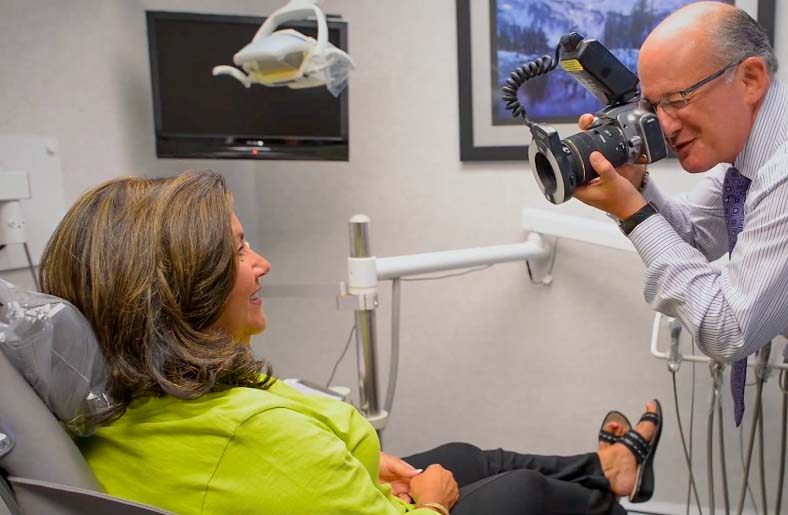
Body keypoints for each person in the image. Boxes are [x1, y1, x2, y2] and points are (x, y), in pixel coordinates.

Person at [39, 171, 661, 514]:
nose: (262, 264)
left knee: (462, 453)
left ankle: (610, 470)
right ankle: (604, 498)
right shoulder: (245, 439)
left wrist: (367, 463)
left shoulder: (137, 400)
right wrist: (430, 503)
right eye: (237, 249)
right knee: (525, 497)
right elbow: (281, 462)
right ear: (180, 286)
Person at [573, 1, 788, 423]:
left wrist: (634, 214)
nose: (665, 127)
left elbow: (727, 329)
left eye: (676, 99)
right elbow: (694, 235)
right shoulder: (747, 154)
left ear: (750, 79)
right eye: (654, 107)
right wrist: (633, 185)